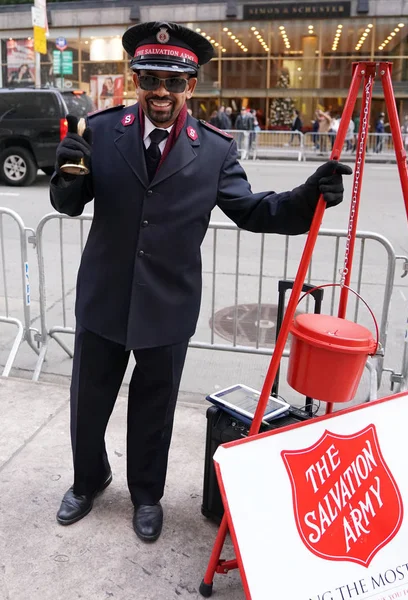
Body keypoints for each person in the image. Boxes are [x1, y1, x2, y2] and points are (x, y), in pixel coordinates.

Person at [50, 20, 352, 543]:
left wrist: (308, 197)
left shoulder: (213, 150)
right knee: (88, 400)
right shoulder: (101, 132)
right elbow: (69, 205)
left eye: (173, 81)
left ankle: (147, 494)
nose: (160, 92)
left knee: (155, 406)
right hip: (104, 295)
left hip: (168, 304)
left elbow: (253, 210)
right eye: (149, 79)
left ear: (192, 85)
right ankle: (87, 478)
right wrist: (66, 175)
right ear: (136, 79)